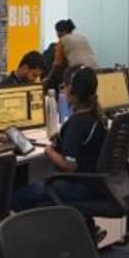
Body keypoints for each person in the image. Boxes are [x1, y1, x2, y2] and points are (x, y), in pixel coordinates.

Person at [12, 67, 107, 212]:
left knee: (17, 197)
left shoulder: (77, 123)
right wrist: (62, 138)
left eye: (64, 86)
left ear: (71, 90)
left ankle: (30, 225)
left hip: (77, 187)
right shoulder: (97, 117)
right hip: (94, 184)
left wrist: (50, 151)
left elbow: (69, 165)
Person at [48, 19, 98, 87]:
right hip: (95, 72)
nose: (56, 35)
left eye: (56, 32)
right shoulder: (82, 37)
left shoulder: (62, 41)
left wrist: (48, 79)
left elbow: (57, 65)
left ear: (61, 32)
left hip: (80, 74)